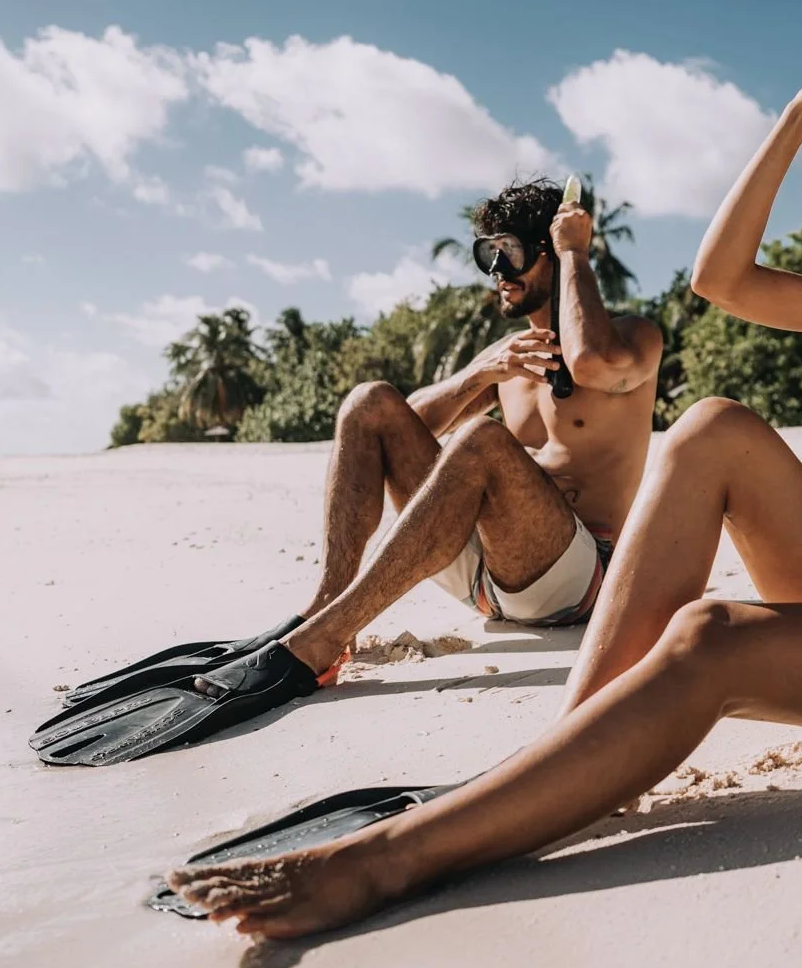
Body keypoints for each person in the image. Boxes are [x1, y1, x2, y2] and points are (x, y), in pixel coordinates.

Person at [167, 39, 802, 936]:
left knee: (709, 634)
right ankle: (568, 752)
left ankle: (391, 860)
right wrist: (800, 114)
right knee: (710, 427)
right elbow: (721, 278)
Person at [270, 178, 664, 677]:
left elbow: (588, 363)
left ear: (550, 252)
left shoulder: (634, 338)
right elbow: (398, 426)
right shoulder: (508, 356)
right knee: (368, 402)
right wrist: (482, 374)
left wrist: (574, 253)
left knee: (481, 439)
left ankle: (325, 637)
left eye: (511, 253)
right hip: (483, 574)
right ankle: (328, 601)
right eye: (488, 254)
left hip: (575, 583)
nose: (498, 271)